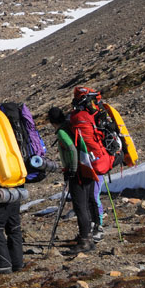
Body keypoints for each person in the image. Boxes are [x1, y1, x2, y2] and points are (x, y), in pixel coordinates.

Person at [70, 86, 114, 249]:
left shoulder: (79, 117)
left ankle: (96, 228)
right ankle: (94, 228)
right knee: (93, 195)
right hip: (101, 158)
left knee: (92, 197)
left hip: (91, 162)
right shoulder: (96, 115)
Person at [48, 105, 95, 252]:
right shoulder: (71, 126)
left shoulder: (62, 132)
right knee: (86, 205)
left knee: (80, 207)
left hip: (78, 173)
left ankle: (84, 241)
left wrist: (72, 170)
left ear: (52, 122)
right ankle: (89, 237)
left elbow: (72, 150)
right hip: (87, 168)